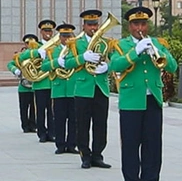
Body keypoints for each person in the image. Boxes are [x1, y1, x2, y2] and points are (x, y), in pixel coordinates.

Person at [109, 6, 178, 181]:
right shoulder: (121, 45)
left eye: (143, 24)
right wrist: (136, 52)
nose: (140, 27)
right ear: (129, 26)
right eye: (136, 24)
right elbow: (114, 65)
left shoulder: (158, 43)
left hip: (153, 99)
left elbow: (172, 66)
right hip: (131, 100)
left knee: (153, 143)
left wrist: (157, 52)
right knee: (131, 143)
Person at [64, 10, 112, 169]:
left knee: (101, 124)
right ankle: (85, 155)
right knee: (82, 124)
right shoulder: (75, 43)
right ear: (83, 25)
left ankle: (98, 155)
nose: (93, 27)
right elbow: (66, 63)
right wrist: (82, 58)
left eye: (95, 24)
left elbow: (114, 61)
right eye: (90, 24)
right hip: (83, 88)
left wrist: (108, 66)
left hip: (101, 87)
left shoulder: (105, 42)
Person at [17, 20, 57, 143]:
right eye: (45, 31)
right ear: (41, 32)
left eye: (50, 31)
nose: (48, 33)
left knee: (52, 111)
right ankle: (42, 133)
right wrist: (36, 52)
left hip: (53, 82)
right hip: (40, 84)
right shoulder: (36, 46)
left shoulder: (56, 46)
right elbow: (21, 57)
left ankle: (52, 133)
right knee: (40, 110)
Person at [43, 23, 78, 155]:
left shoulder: (75, 49)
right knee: (59, 118)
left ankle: (71, 144)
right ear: (59, 37)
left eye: (68, 35)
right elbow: (44, 67)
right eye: (63, 36)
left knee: (73, 119)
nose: (66, 38)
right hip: (58, 89)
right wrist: (56, 62)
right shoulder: (52, 50)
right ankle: (60, 145)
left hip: (73, 88)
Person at [8, 34, 38, 133]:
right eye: (27, 43)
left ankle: (33, 125)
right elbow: (10, 64)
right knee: (23, 107)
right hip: (24, 86)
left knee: (34, 108)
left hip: (34, 85)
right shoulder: (20, 55)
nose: (29, 45)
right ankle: (25, 125)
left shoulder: (38, 55)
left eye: (31, 43)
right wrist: (15, 70)